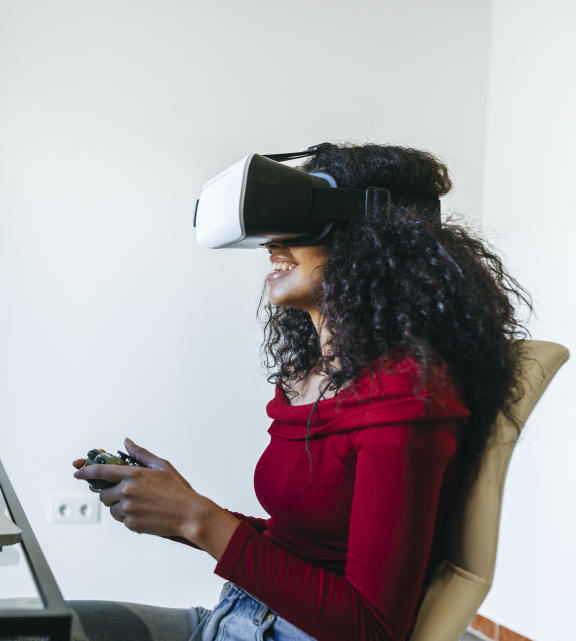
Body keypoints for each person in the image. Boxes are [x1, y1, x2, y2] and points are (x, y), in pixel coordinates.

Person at [70, 143, 531, 641]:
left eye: (304, 221)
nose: (273, 243)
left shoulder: (404, 402)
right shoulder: (311, 378)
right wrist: (180, 511)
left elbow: (371, 629)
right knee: (2, 626)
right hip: (233, 620)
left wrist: (198, 520)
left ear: (375, 243)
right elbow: (305, 550)